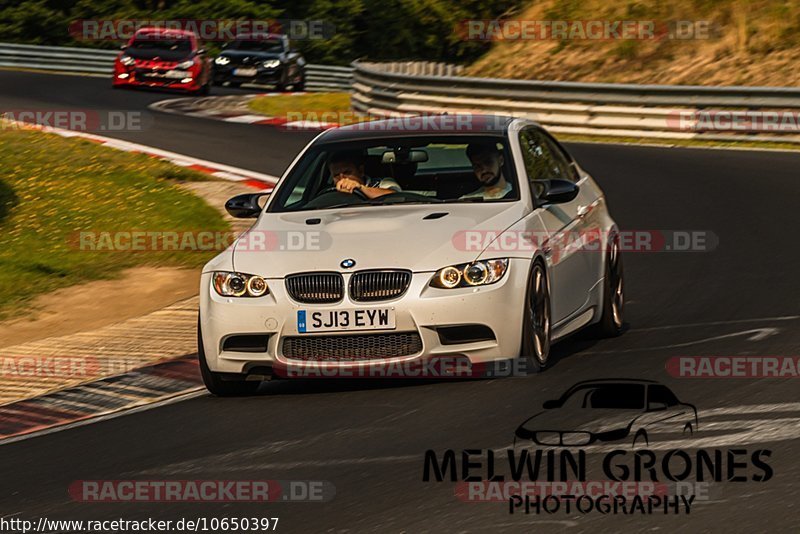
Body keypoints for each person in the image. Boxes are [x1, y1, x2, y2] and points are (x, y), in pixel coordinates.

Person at [327, 150, 401, 199]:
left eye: (347, 173)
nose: (342, 178)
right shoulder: (329, 192)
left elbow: (396, 197)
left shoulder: (382, 183)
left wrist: (361, 188)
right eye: (336, 175)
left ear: (360, 171)